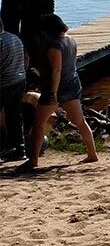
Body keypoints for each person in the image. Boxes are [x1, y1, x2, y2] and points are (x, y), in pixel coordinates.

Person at [26, 13, 98, 168]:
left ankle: (33, 160)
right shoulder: (71, 40)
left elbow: (56, 71)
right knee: (80, 122)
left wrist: (52, 93)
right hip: (73, 84)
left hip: (58, 88)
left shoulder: (55, 46)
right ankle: (92, 154)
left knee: (38, 123)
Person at [0, 21, 29, 160]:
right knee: (14, 115)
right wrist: (23, 71)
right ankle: (20, 148)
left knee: (12, 115)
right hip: (19, 80)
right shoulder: (15, 38)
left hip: (4, 84)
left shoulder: (0, 42)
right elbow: (26, 58)